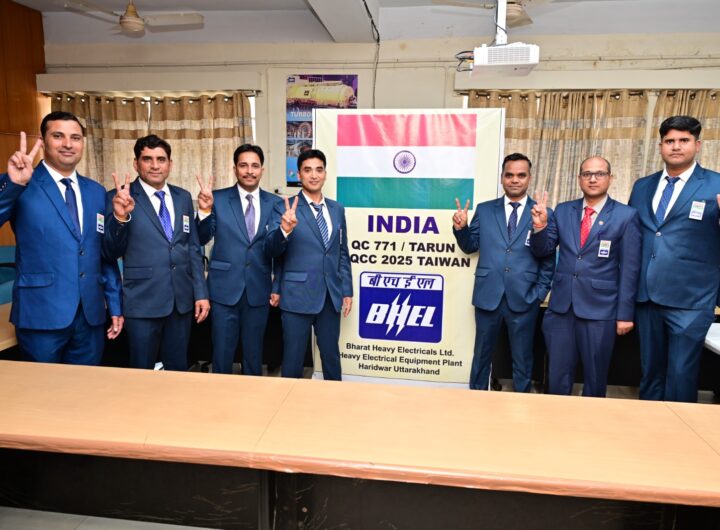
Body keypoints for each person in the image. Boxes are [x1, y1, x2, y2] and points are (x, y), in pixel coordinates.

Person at [0, 111, 122, 364]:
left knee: (86, 385)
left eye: (75, 138)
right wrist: (13, 184)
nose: (68, 144)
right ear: (43, 142)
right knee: (41, 387)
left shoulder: (96, 191)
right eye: (58, 136)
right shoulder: (21, 183)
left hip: (89, 315)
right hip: (40, 313)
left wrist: (115, 304)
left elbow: (103, 255)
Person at [530, 156, 641, 397]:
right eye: (587, 174)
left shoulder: (626, 215)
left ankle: (592, 419)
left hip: (600, 310)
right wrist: (539, 227)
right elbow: (543, 250)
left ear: (610, 178)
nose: (593, 179)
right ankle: (557, 418)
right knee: (557, 377)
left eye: (599, 174)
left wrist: (625, 314)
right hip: (561, 308)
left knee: (595, 377)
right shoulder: (563, 210)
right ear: (579, 178)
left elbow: (630, 268)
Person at [628, 115, 720, 402]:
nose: (676, 146)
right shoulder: (642, 186)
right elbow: (635, 237)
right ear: (661, 146)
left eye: (683, 140)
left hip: (691, 299)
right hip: (647, 297)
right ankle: (650, 426)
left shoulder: (716, 184)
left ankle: (680, 428)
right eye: (670, 141)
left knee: (681, 374)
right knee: (650, 373)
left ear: (697, 145)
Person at [105, 134, 209, 371]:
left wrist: (201, 293)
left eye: (161, 159)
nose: (155, 165)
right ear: (136, 164)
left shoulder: (183, 197)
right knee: (142, 372)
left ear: (170, 164)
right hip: (142, 301)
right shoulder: (119, 197)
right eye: (147, 159)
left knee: (178, 370)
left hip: (181, 302)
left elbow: (192, 247)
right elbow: (110, 251)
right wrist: (120, 217)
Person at [453, 153, 554, 392]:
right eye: (509, 175)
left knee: (523, 359)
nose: (515, 180)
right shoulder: (485, 210)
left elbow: (548, 258)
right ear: (502, 178)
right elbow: (470, 246)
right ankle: (476, 400)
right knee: (481, 356)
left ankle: (520, 405)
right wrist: (461, 228)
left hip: (524, 298)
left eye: (521, 175)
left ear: (529, 178)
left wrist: (538, 294)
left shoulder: (543, 212)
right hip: (488, 296)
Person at [196, 144, 283, 375]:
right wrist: (204, 212)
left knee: (254, 356)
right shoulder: (217, 198)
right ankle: (221, 396)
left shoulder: (275, 203)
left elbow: (277, 250)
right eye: (243, 165)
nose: (249, 171)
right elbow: (202, 238)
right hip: (224, 290)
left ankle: (252, 396)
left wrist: (285, 232)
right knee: (222, 354)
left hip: (259, 289)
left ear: (262, 169)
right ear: (235, 169)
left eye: (255, 166)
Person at [266, 149, 352, 380]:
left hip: (330, 296)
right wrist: (284, 230)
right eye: (307, 170)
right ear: (299, 175)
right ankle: (289, 401)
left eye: (319, 170)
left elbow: (342, 252)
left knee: (331, 357)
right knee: (293, 360)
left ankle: (333, 398)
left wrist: (346, 290)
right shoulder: (285, 208)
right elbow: (271, 250)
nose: (314, 175)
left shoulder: (337, 209)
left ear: (325, 174)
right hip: (297, 296)